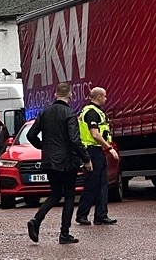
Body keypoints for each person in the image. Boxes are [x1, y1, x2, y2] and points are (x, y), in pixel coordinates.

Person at [26, 82, 93, 245]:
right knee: (69, 195)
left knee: (55, 194)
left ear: (55, 94)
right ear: (70, 95)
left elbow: (31, 135)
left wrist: (44, 147)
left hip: (49, 161)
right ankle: (64, 234)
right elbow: (74, 139)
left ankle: (36, 220)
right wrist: (86, 159)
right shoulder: (69, 113)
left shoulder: (45, 112)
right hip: (67, 161)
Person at [76, 87, 119, 226]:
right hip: (92, 151)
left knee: (101, 184)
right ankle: (82, 215)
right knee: (92, 184)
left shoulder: (93, 111)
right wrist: (109, 148)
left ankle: (101, 215)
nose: (106, 99)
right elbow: (95, 134)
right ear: (99, 97)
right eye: (104, 96)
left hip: (96, 151)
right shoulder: (92, 113)